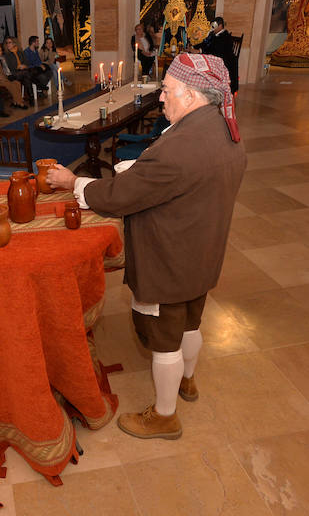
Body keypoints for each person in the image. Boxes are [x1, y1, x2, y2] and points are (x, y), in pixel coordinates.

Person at [46, 53, 246, 441]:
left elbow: (120, 197)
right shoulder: (223, 129)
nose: (161, 99)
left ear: (191, 94)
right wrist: (147, 172)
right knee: (191, 323)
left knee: (164, 339)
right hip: (203, 251)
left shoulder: (179, 149)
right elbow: (182, 180)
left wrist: (74, 183)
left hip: (171, 256)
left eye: (168, 91)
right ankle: (188, 382)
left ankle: (165, 416)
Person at [197, 17, 239, 93]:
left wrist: (200, 51)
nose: (212, 28)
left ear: (220, 26)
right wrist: (194, 47)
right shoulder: (213, 34)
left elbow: (216, 50)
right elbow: (205, 43)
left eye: (213, 26)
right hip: (214, 58)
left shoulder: (226, 37)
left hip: (225, 62)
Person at [0, 43, 26, 109]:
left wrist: (7, 77)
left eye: (0, 51)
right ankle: (20, 102)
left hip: (4, 78)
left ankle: (15, 102)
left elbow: (6, 70)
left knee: (17, 83)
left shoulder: (2, 58)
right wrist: (4, 79)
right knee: (11, 85)